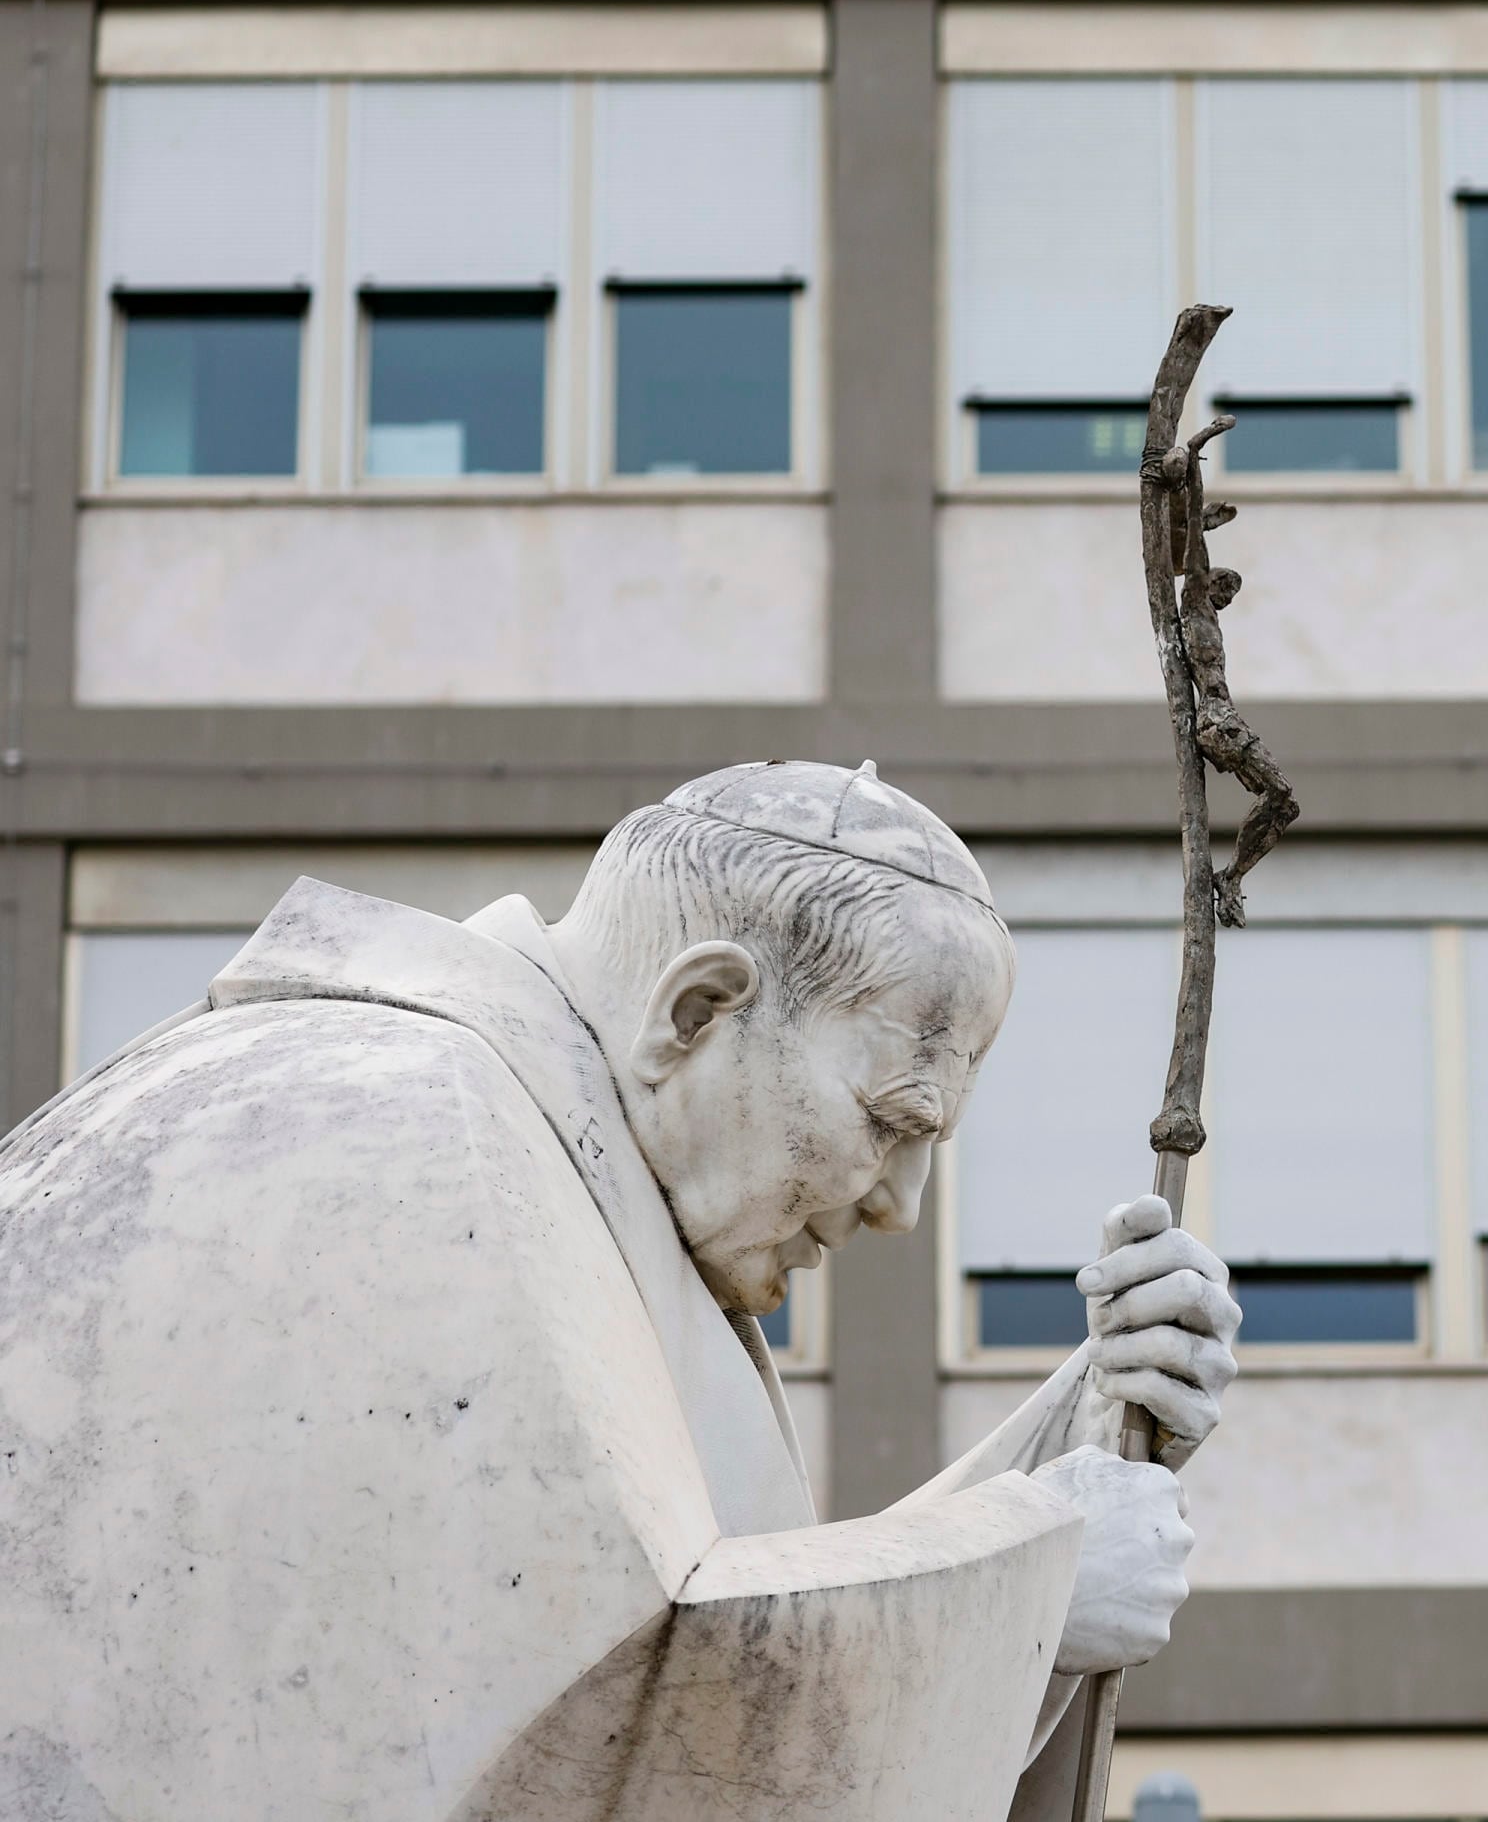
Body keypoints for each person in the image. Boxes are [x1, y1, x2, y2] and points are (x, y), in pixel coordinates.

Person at [0, 760, 1239, 1819]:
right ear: (695, 1010)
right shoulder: (390, 1122)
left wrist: (1084, 1421)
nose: (899, 1204)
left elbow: (699, 1621)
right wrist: (1029, 1581)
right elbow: (579, 1718)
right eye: (886, 1120)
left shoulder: (551, 1163)